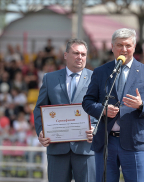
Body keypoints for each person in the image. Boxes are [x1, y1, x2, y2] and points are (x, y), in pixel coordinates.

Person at [82, 28, 144, 182]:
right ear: (112, 47)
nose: (124, 49)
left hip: (135, 142)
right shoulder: (101, 72)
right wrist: (103, 110)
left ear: (134, 47)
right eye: (119, 45)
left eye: (128, 45)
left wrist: (141, 105)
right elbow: (87, 102)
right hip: (106, 142)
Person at [33, 38, 96, 182]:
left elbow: (102, 109)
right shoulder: (50, 78)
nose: (80, 57)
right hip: (57, 148)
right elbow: (39, 108)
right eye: (76, 53)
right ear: (66, 55)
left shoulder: (95, 78)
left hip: (86, 148)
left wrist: (95, 128)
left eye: (83, 54)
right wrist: (41, 131)